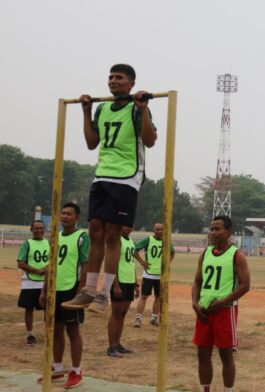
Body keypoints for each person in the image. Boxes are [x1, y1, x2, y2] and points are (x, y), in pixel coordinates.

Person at [62, 64, 156, 313]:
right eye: (110, 77)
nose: (113, 81)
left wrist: (143, 110)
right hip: (102, 175)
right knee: (95, 232)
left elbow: (150, 141)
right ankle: (89, 290)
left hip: (126, 177)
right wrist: (86, 112)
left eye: (119, 78)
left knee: (114, 234)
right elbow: (92, 143)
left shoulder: (136, 108)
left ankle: (104, 293)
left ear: (131, 83)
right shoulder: (103, 108)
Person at [192, 216, 250, 392]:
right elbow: (197, 282)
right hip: (203, 312)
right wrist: (195, 304)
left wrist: (223, 302)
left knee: (225, 355)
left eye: (217, 229)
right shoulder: (205, 253)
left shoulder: (237, 255)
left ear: (228, 232)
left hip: (225, 312)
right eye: (211, 229)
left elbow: (245, 285)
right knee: (202, 354)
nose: (213, 233)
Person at [38, 202, 90, 388]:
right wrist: (44, 289)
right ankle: (58, 370)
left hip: (71, 289)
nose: (65, 216)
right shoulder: (56, 237)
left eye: (69, 214)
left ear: (77, 218)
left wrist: (80, 292)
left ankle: (76, 371)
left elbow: (85, 267)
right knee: (55, 330)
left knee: (73, 331)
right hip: (54, 290)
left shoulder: (82, 237)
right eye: (63, 213)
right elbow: (51, 266)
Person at [133, 223, 175, 327]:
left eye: (161, 229)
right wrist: (142, 262)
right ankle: (138, 318)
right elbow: (135, 250)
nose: (160, 231)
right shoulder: (148, 240)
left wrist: (167, 264)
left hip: (161, 275)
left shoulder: (167, 241)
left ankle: (154, 318)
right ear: (153, 230)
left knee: (158, 297)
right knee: (143, 296)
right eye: (157, 229)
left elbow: (173, 252)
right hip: (149, 274)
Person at [107, 226, 139, 357]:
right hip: (119, 282)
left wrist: (136, 283)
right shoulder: (117, 240)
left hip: (129, 281)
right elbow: (111, 263)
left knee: (123, 314)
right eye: (127, 225)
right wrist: (115, 285)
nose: (130, 228)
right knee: (116, 314)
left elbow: (131, 263)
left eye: (131, 226)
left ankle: (117, 343)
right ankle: (111, 346)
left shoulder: (130, 241)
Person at [16, 220, 50, 345]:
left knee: (48, 308)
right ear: (31, 230)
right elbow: (20, 262)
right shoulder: (27, 244)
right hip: (29, 281)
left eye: (41, 228)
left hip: (46, 282)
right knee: (29, 308)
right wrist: (37, 271)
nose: (39, 230)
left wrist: (47, 269)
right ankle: (30, 335)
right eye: (36, 228)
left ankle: (49, 333)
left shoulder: (49, 243)